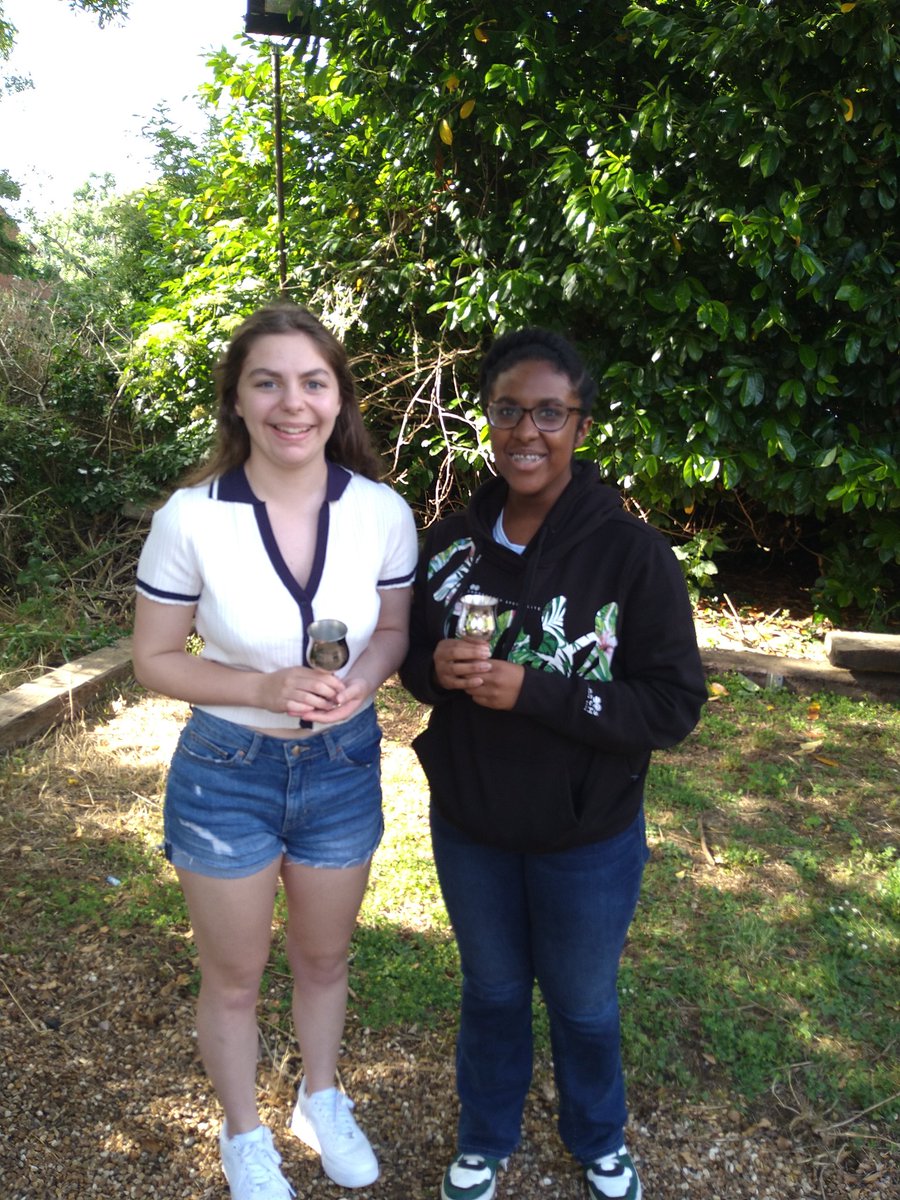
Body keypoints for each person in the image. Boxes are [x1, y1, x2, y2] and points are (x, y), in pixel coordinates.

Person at [399, 328, 708, 1200]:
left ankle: (598, 1137)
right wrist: (436, 672)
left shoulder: (631, 554)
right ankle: (486, 1135)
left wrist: (536, 691)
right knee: (493, 992)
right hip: (474, 825)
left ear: (579, 423)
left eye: (549, 412)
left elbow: (672, 705)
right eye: (507, 410)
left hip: (587, 834)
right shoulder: (451, 545)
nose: (526, 432)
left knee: (582, 1004)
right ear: (487, 418)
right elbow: (415, 660)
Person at [133, 303, 417, 1200]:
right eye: (269, 382)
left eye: (312, 382)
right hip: (227, 773)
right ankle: (244, 1132)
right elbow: (152, 658)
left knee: (326, 960)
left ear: (338, 400)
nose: (292, 403)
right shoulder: (191, 517)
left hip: (341, 766)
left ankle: (319, 1098)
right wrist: (261, 688)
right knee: (233, 974)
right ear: (239, 400)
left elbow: (396, 630)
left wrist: (359, 685)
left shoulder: (381, 511)